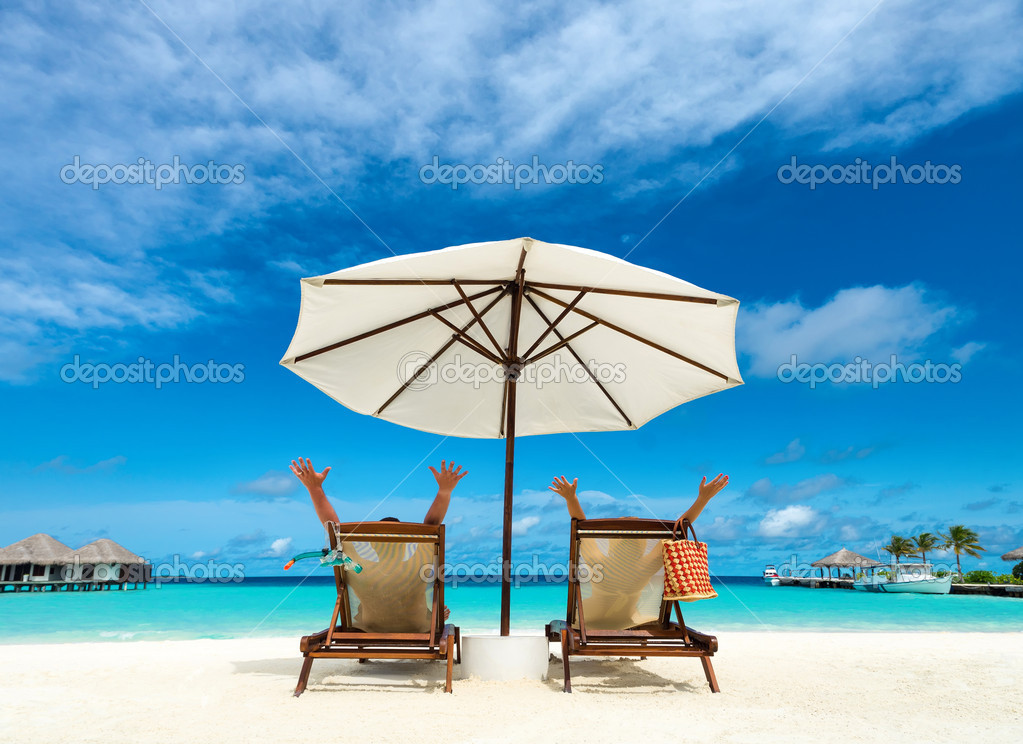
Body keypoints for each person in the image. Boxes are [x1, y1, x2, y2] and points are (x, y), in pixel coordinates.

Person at [290, 457, 467, 629]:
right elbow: (431, 528)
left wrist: (314, 488)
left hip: (368, 627)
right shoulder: (418, 563)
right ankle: (431, 615)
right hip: (418, 627)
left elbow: (333, 529)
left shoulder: (358, 564)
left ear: (372, 543)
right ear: (406, 543)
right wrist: (445, 491)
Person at [547, 473, 729, 629]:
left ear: (612, 543)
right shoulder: (648, 565)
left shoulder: (597, 560)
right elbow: (681, 527)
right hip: (630, 621)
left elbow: (579, 525)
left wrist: (571, 498)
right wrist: (703, 498)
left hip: (587, 622)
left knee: (555, 623)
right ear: (644, 545)